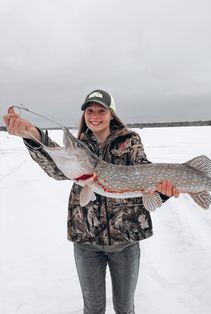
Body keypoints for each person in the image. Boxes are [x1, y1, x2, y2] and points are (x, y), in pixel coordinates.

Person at [3, 89, 179, 314]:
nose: (94, 116)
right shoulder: (80, 146)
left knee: (125, 308)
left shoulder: (130, 140)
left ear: (111, 114)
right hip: (86, 242)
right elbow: (58, 167)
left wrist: (161, 192)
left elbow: (143, 171)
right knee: (93, 308)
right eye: (90, 111)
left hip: (125, 241)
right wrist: (32, 135)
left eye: (101, 111)